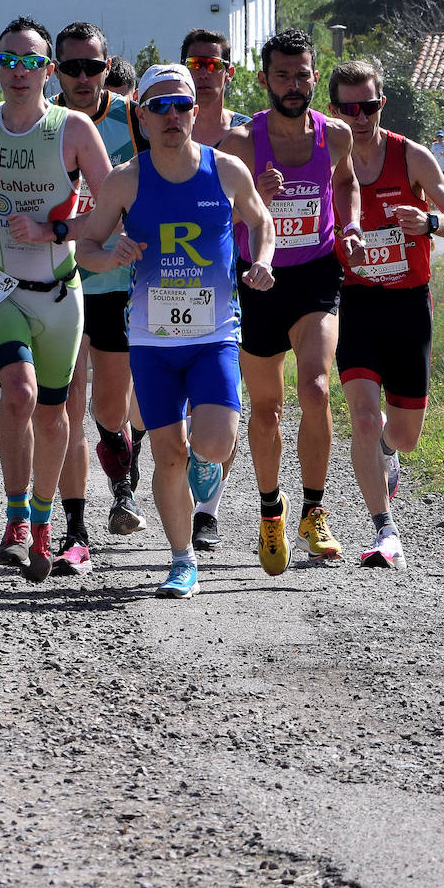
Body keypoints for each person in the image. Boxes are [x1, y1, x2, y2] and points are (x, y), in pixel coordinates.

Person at [76, 63, 275, 599]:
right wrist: (109, 252)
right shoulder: (125, 179)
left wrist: (262, 261)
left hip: (213, 335)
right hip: (151, 340)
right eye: (159, 107)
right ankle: (182, 560)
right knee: (168, 454)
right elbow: (84, 249)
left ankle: (206, 468)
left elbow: (260, 220)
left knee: (212, 443)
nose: (172, 116)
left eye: (181, 106)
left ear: (196, 111)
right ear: (140, 114)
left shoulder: (227, 170)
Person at [0, 17, 112, 584]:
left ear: (48, 72)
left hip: (59, 292)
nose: (19, 73)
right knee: (17, 393)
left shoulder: (73, 128)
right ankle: (12, 517)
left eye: (32, 62)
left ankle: (42, 522)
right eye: (9, 61)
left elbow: (112, 207)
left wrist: (56, 233)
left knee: (55, 417)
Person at [221, 29, 363, 573]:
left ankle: (314, 510)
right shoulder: (239, 143)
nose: (294, 85)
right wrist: (256, 197)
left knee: (316, 386)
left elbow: (346, 183)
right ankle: (270, 512)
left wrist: (348, 226)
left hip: (317, 274)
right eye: (282, 75)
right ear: (264, 80)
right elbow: (214, 216)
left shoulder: (337, 136)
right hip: (259, 279)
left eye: (302, 74)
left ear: (313, 75)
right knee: (266, 407)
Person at [329, 60, 444, 570]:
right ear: (333, 110)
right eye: (348, 108)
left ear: (380, 104)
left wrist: (429, 220)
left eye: (367, 105)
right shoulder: (325, 161)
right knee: (363, 419)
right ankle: (385, 531)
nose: (359, 116)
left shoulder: (410, 155)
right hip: (357, 302)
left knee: (404, 436)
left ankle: (388, 450)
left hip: (410, 304)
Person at [54, 21, 150, 576]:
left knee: (110, 409)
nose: (84, 78)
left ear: (107, 64)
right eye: (72, 68)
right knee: (67, 407)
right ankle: (76, 528)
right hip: (61, 281)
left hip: (119, 284)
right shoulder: (44, 123)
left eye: (93, 67)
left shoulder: (133, 118)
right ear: (57, 71)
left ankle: (122, 480)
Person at [181, 27, 252, 552]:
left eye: (213, 65)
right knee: (165, 401)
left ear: (229, 72)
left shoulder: (249, 135)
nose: (205, 73)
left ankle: (207, 511)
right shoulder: (157, 123)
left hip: (230, 285)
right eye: (195, 64)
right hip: (162, 282)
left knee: (222, 401)